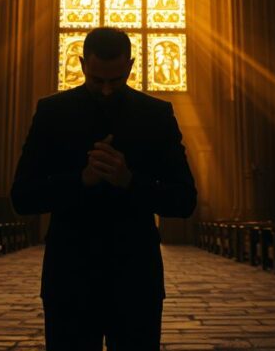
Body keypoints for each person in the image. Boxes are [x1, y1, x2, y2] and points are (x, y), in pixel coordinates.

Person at [11, 27, 197, 350]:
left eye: (116, 80)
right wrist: (80, 181)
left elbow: (184, 200)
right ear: (82, 64)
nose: (108, 90)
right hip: (70, 278)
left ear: (131, 66)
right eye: (98, 81)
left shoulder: (156, 115)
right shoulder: (53, 113)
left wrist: (130, 181)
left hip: (136, 279)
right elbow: (22, 196)